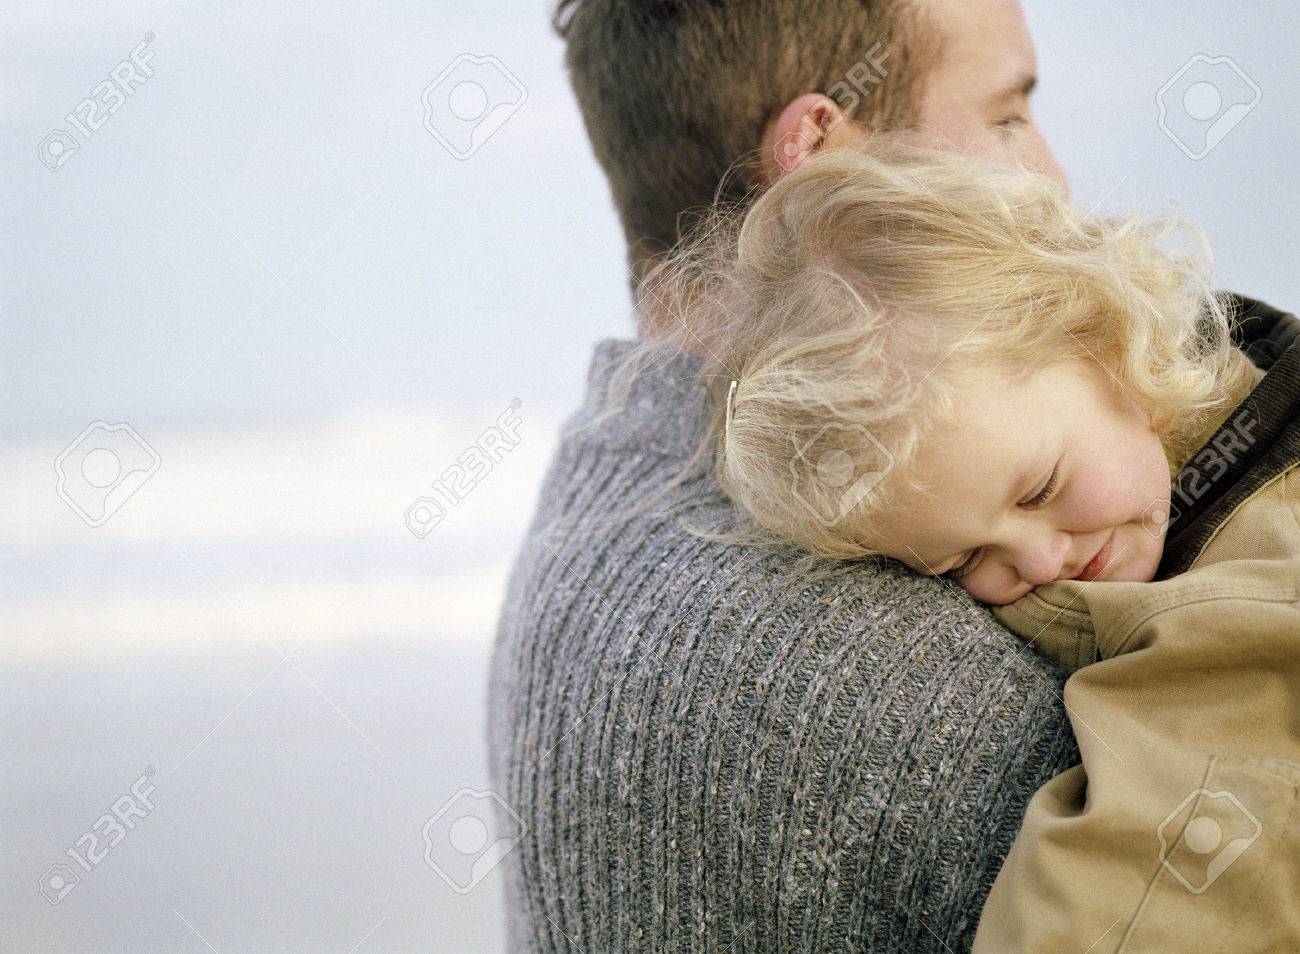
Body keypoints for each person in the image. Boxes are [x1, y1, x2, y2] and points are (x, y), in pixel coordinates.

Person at [491, 1, 1078, 950]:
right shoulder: (930, 687)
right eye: (1006, 118)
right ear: (826, 158)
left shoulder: (600, 477)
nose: (1052, 178)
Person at [656, 140, 1300, 950]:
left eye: (1038, 489)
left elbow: (1151, 880)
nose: (1033, 562)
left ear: (1108, 341)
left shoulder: (1248, 589)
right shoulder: (1255, 383)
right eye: (961, 562)